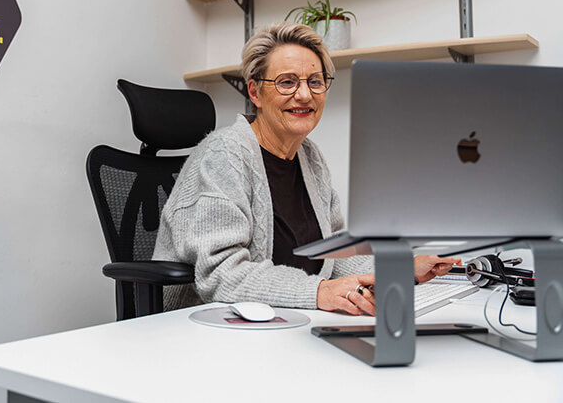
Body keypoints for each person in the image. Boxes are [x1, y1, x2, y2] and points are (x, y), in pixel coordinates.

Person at [153, 23, 458, 315]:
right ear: (255, 93)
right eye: (287, 82)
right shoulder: (223, 156)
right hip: (203, 327)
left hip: (283, 320)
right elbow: (221, 274)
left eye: (315, 81)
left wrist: (403, 268)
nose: (304, 95)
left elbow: (334, 258)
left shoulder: (310, 158)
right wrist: (320, 292)